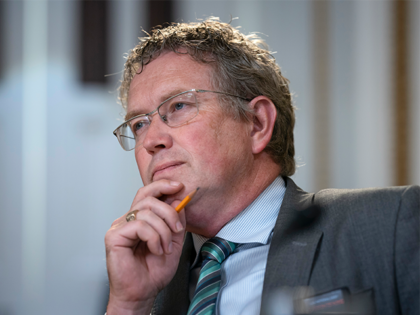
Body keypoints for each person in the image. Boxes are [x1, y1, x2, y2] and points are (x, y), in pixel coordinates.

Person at [105, 19, 419, 315]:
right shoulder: (138, 275)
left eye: (178, 106)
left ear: (257, 123)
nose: (151, 141)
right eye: (139, 124)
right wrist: (129, 306)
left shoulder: (392, 224)